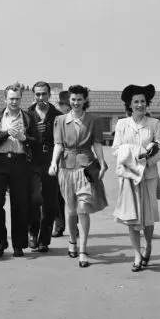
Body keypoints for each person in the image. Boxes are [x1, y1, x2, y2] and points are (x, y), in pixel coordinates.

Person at [48, 84, 108, 269]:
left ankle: (82, 249)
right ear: (69, 100)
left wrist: (102, 161)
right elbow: (58, 144)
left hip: (86, 167)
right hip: (66, 168)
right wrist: (53, 163)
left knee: (83, 208)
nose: (76, 103)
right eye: (73, 99)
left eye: (79, 99)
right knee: (71, 210)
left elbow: (97, 143)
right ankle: (72, 241)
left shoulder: (93, 120)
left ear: (85, 100)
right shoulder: (59, 120)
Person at [112, 84, 160, 272]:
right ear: (130, 104)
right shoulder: (121, 124)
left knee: (148, 216)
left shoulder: (154, 124)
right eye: (136, 102)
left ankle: (148, 245)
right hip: (128, 177)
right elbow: (116, 149)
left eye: (143, 101)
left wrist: (147, 160)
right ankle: (136, 254)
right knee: (131, 217)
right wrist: (137, 154)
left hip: (148, 177)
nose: (140, 105)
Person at [0, 84, 38, 258]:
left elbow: (36, 142)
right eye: (11, 98)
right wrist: (6, 133)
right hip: (0, 161)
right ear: (5, 99)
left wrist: (24, 138)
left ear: (21, 99)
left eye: (17, 98)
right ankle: (2, 239)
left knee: (20, 205)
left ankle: (18, 244)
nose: (14, 101)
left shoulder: (29, 118)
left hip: (20, 162)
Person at [26, 81, 62, 253]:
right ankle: (32, 232)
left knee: (51, 203)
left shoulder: (58, 115)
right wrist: (33, 131)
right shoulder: (26, 114)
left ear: (49, 94)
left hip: (50, 160)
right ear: (34, 95)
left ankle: (44, 240)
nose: (41, 97)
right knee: (33, 200)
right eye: (37, 94)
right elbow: (20, 137)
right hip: (31, 160)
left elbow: (62, 140)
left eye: (44, 94)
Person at [51, 90, 71, 238]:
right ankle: (59, 225)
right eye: (66, 105)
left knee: (73, 195)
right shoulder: (57, 118)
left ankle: (74, 224)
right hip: (57, 158)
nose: (69, 107)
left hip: (74, 161)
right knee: (57, 195)